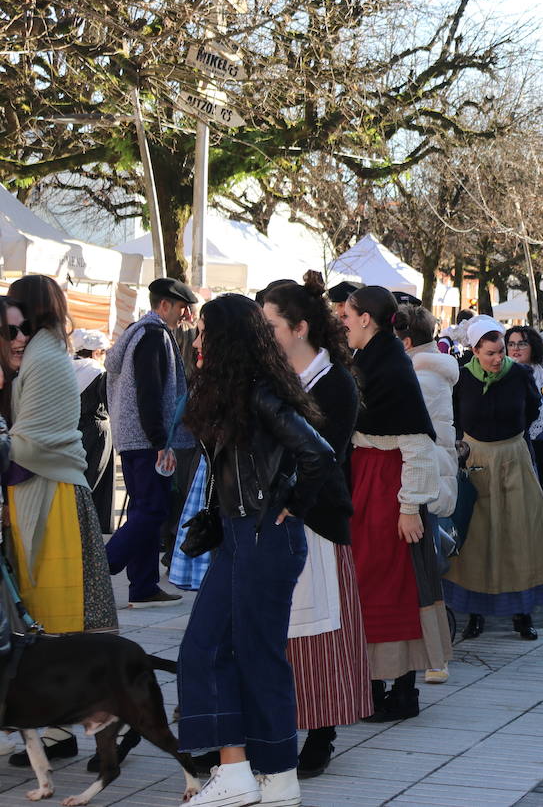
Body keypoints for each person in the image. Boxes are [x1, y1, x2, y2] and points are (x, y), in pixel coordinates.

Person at [176, 294, 346, 807]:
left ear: (226, 338)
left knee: (247, 655)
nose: (197, 341)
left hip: (264, 537)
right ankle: (257, 774)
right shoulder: (236, 390)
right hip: (242, 534)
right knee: (213, 650)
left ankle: (261, 774)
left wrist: (290, 503)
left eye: (204, 332)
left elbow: (318, 452)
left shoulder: (257, 391)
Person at [259, 278, 371, 779]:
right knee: (273, 632)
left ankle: (322, 733)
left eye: (271, 326)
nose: (265, 335)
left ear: (299, 328)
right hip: (267, 518)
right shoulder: (268, 376)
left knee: (319, 634)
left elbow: (325, 458)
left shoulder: (335, 383)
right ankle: (269, 726)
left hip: (317, 518)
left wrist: (290, 499)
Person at [340, 286, 450, 723]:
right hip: (369, 484)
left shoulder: (390, 366)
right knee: (373, 584)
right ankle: (375, 687)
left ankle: (401, 692)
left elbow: (417, 444)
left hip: (388, 489)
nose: (343, 321)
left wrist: (408, 508)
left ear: (366, 317)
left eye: (347, 314)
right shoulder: (372, 359)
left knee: (393, 585)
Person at [5, 277, 117, 633]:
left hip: (50, 494)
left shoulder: (45, 358)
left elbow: (34, 442)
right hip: (50, 489)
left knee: (55, 614)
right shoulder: (44, 352)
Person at [445, 317, 543, 643]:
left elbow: (534, 409)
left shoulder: (520, 374)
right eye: (491, 353)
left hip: (513, 456)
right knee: (477, 537)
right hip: (475, 458)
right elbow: (453, 416)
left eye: (501, 351)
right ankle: (475, 615)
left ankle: (523, 615)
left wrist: (512, 438)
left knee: (517, 533)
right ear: (475, 350)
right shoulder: (461, 378)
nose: (498, 359)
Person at [105, 277, 197, 607]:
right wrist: (161, 441)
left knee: (145, 510)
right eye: (182, 306)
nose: (186, 313)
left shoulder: (141, 332)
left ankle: (143, 587)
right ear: (164, 305)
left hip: (134, 438)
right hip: (146, 440)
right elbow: (150, 392)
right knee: (154, 511)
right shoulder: (154, 335)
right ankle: (102, 565)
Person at [395, 305, 460, 683]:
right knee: (427, 565)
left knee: (424, 571)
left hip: (423, 478)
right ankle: (434, 655)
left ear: (405, 341)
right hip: (435, 474)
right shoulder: (432, 370)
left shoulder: (419, 377)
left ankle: (435, 657)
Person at [506, 326, 543, 514]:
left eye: (522, 343)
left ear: (533, 346)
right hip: (514, 444)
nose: (515, 348)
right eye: (511, 344)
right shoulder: (501, 375)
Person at [71, 328, 115, 533]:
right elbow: (110, 403)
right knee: (95, 487)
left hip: (73, 433)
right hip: (97, 435)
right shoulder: (97, 372)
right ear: (96, 352)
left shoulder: (66, 367)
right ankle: (91, 530)